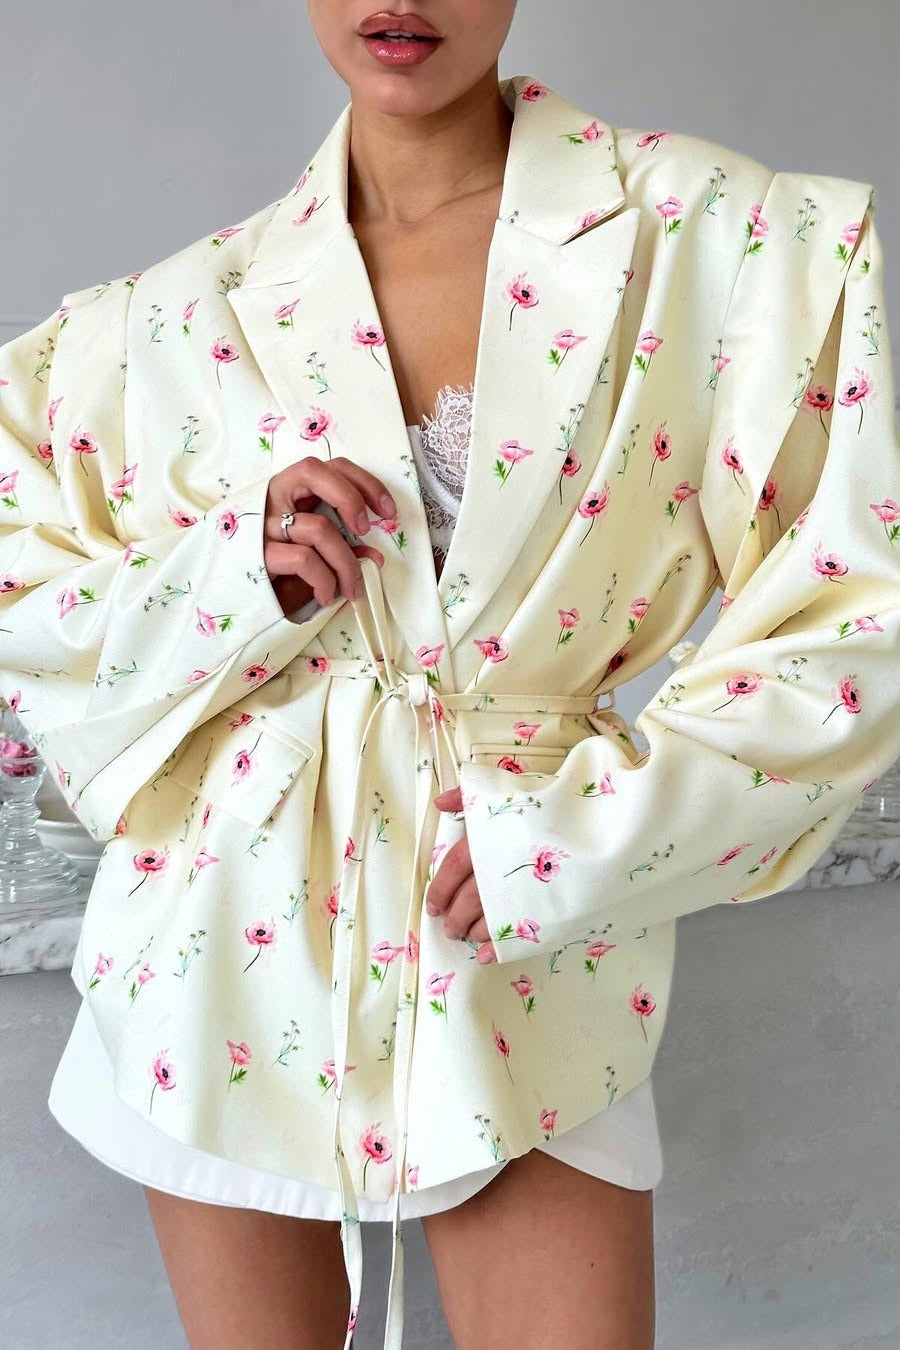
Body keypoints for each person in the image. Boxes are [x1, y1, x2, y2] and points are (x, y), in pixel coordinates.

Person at [2, 4, 899, 1348]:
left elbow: (855, 610)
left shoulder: (719, 242)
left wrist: (594, 831)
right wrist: (229, 578)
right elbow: (27, 597)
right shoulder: (166, 321)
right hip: (217, 942)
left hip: (526, 932)